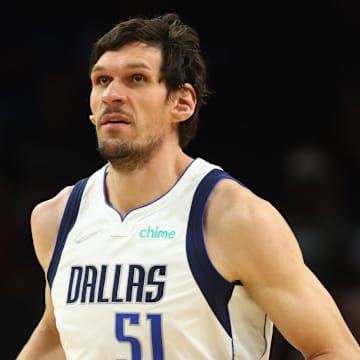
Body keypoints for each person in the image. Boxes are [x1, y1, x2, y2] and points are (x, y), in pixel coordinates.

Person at [17, 12, 360, 360]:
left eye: (136, 78)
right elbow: (59, 332)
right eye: (102, 80)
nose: (112, 94)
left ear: (182, 102)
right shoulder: (55, 218)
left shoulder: (234, 217)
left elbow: (335, 349)